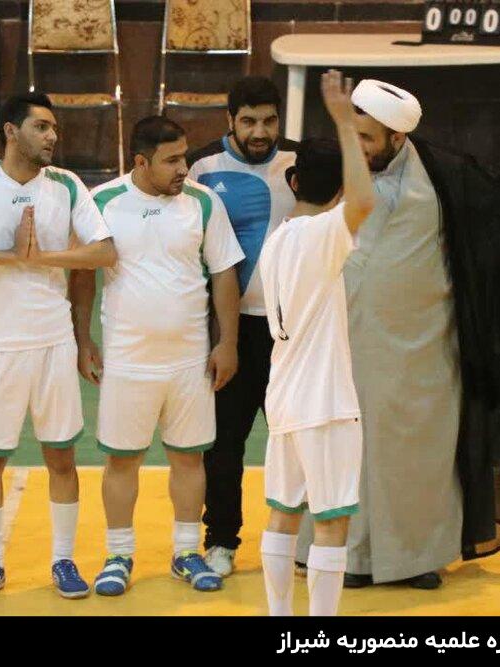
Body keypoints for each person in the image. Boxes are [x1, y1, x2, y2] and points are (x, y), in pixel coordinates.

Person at [296, 78, 500, 589]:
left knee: (419, 455)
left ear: (397, 138)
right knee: (349, 451)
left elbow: (496, 237)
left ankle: (416, 558)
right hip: (349, 343)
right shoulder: (339, 173)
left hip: (424, 348)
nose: (357, 147)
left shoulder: (446, 178)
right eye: (352, 134)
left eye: (367, 138)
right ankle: (350, 557)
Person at [0, 93, 116, 602]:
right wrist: (9, 255)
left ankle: (63, 560)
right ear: (11, 131)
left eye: (54, 128)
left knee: (62, 459)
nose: (53, 136)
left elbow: (103, 251)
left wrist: (43, 258)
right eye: (41, 127)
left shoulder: (67, 185)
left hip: (54, 343)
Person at [72, 116, 244, 596]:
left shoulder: (203, 203)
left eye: (184, 157)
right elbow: (83, 276)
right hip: (127, 361)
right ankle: (118, 555)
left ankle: (186, 552)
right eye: (171, 160)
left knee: (189, 458)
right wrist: (83, 339)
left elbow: (224, 273)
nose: (183, 168)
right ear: (141, 162)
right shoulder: (102, 202)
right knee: (122, 461)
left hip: (190, 361)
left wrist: (227, 342)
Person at [257, 69, 374, 616]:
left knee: (283, 514)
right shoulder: (321, 235)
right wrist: (345, 123)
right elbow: (364, 201)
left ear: (294, 182)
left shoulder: (277, 240)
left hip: (283, 400)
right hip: (324, 404)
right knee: (331, 521)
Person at [187, 75, 298, 576]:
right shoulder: (201, 167)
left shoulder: (300, 162)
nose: (260, 132)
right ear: (230, 119)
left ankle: (300, 540)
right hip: (232, 331)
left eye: (269, 121)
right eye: (249, 121)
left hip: (293, 332)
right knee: (224, 444)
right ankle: (221, 540)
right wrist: (218, 336)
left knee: (295, 440)